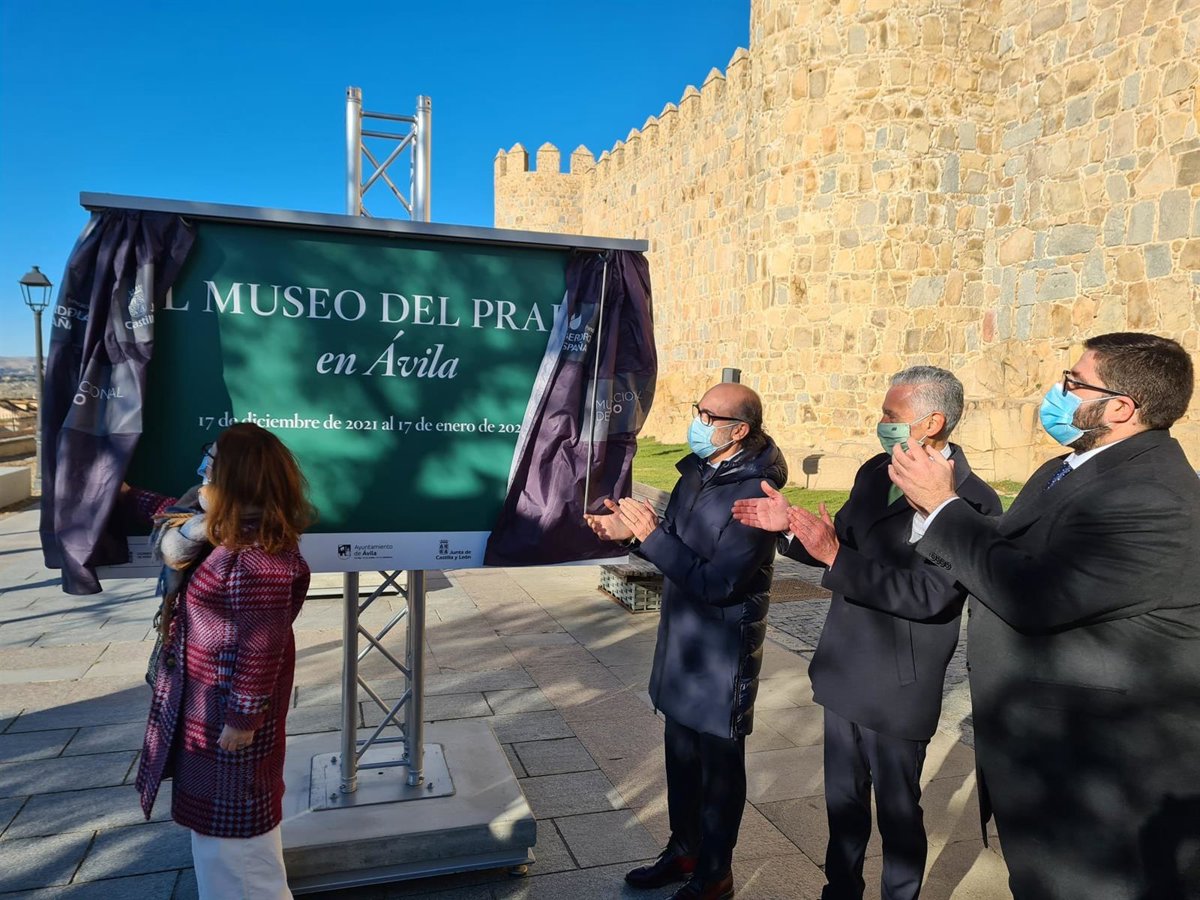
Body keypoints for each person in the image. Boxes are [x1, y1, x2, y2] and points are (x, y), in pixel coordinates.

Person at [888, 333, 1200, 900]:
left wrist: (944, 507)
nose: (1058, 390)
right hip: (1047, 764)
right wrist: (935, 512)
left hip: (1105, 784)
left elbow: (1037, 596)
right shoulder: (1069, 467)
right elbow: (1014, 548)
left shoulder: (1156, 497)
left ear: (1120, 408)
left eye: (1074, 382)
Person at [732, 366, 1001, 900]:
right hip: (845, 667)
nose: (881, 423)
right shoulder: (876, 471)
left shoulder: (971, 501)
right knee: (843, 804)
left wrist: (836, 554)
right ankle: (840, 890)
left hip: (900, 683)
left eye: (890, 415)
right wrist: (793, 529)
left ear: (932, 423)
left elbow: (931, 595)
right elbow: (838, 545)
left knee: (898, 812)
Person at [586, 382, 786, 900]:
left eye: (708, 415)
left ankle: (716, 872)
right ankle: (684, 851)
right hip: (682, 640)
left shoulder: (755, 492)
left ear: (738, 431)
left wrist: (652, 536)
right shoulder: (697, 471)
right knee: (681, 757)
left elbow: (720, 583)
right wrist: (632, 536)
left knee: (719, 769)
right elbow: (673, 547)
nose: (697, 420)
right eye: (698, 410)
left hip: (722, 650)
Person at [126, 423, 314, 900]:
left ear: (235, 475)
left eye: (210, 462)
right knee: (221, 841)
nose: (201, 471)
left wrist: (242, 720)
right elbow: (173, 515)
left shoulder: (256, 555)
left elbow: (261, 645)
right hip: (210, 709)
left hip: (227, 720)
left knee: (237, 851)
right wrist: (129, 495)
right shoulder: (229, 530)